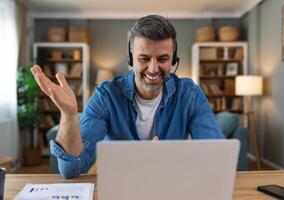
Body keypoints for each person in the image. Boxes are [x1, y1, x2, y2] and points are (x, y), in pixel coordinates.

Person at [31, 15, 224, 179]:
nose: (153, 68)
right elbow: (70, 170)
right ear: (131, 58)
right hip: (118, 186)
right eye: (144, 58)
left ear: (174, 59)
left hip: (170, 184)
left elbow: (217, 159)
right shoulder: (105, 96)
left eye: (163, 59)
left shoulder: (189, 95)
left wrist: (174, 158)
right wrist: (68, 114)